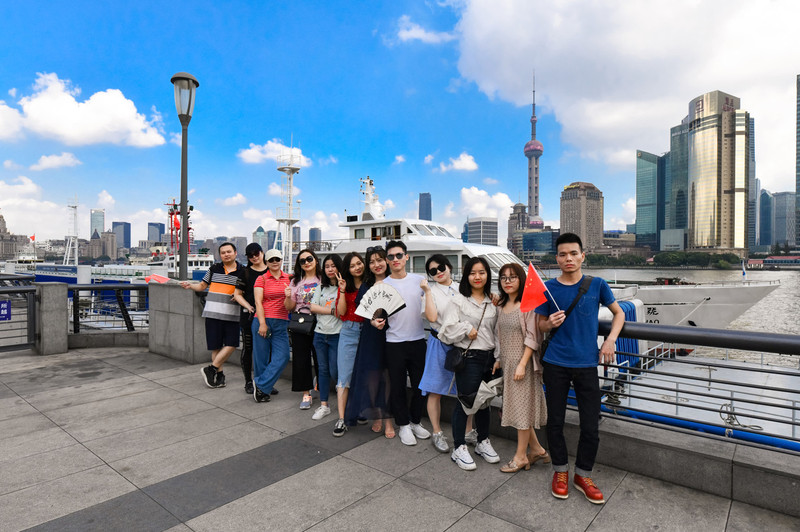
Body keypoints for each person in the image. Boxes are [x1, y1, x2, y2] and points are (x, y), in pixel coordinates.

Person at [535, 233, 625, 504]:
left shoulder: (597, 284)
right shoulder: (548, 287)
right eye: (563, 254)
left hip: (587, 363)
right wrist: (549, 323)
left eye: (573, 253)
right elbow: (539, 324)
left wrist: (610, 340)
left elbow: (619, 313)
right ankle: (561, 471)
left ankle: (583, 475)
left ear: (582, 256)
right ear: (557, 259)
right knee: (555, 422)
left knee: (590, 425)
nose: (569, 259)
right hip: (555, 363)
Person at [439, 256, 500, 470]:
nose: (477, 277)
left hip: (489, 358)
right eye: (473, 273)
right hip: (470, 357)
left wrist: (499, 357)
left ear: (488, 275)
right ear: (466, 276)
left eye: (482, 272)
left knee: (484, 402)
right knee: (465, 402)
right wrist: (466, 328)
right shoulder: (459, 300)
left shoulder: (493, 302)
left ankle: (483, 441)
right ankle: (459, 447)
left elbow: (497, 332)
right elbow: (445, 331)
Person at [493, 262, 549, 473]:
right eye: (503, 277)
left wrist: (522, 365)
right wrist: (499, 358)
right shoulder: (501, 305)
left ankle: (520, 456)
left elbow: (534, 337)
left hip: (522, 364)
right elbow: (500, 335)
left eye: (512, 277)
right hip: (508, 363)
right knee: (519, 408)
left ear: (521, 279)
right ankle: (537, 450)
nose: (507, 281)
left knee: (521, 410)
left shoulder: (527, 305)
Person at [418, 254, 474, 453]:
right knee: (435, 390)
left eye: (441, 267)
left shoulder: (463, 288)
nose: (438, 272)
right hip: (439, 343)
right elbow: (432, 317)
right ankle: (437, 432)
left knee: (467, 389)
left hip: (463, 343)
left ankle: (468, 430)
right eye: (433, 271)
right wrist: (427, 291)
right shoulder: (430, 292)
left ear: (449, 267)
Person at [382, 240, 431, 446]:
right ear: (387, 260)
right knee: (398, 386)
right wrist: (376, 321)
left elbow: (434, 303)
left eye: (399, 255)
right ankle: (403, 424)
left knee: (421, 385)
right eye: (391, 256)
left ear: (406, 257)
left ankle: (415, 421)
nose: (395, 259)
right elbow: (376, 314)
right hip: (394, 341)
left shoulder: (420, 281)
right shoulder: (383, 285)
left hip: (418, 339)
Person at [181, 241, 249, 389]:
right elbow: (202, 286)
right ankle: (219, 376)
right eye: (223, 253)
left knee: (232, 344)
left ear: (235, 253)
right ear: (220, 255)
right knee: (216, 347)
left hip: (232, 315)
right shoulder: (214, 269)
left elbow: (247, 291)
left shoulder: (243, 271)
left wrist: (239, 295)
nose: (226, 254)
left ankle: (211, 368)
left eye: (229, 252)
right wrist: (190, 285)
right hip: (212, 313)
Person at [344, 246, 394, 438]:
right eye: (372, 262)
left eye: (379, 260)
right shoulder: (367, 284)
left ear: (386, 260)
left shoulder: (394, 281)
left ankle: (388, 419)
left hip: (392, 334)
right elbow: (362, 310)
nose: (376, 265)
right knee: (373, 377)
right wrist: (372, 320)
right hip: (371, 334)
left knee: (388, 377)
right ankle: (377, 416)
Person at [331, 252, 366, 436]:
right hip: (349, 331)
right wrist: (342, 290)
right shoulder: (344, 285)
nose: (357, 267)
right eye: (352, 266)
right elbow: (341, 312)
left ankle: (359, 410)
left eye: (359, 263)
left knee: (363, 375)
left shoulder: (370, 283)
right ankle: (342, 418)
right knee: (344, 376)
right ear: (347, 269)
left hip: (368, 332)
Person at [251, 248, 291, 403]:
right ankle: (264, 389)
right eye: (271, 260)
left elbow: (291, 303)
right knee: (261, 358)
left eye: (277, 259)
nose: (275, 262)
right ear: (266, 262)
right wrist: (262, 323)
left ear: (281, 260)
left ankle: (262, 384)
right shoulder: (261, 279)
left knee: (283, 356)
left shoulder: (288, 278)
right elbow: (258, 302)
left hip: (281, 322)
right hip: (263, 320)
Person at [308, 254, 343, 421]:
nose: (330, 269)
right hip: (320, 334)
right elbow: (313, 307)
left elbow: (343, 311)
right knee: (322, 370)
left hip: (337, 335)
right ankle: (324, 405)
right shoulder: (321, 287)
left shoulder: (343, 287)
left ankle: (345, 400)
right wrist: (331, 311)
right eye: (327, 266)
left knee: (336, 370)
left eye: (333, 266)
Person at [286, 249, 321, 410]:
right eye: (302, 261)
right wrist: (288, 296)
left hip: (321, 322)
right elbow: (289, 307)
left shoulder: (322, 278)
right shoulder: (295, 281)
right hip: (301, 322)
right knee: (301, 359)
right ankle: (306, 393)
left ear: (315, 260)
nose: (306, 262)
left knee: (321, 358)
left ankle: (319, 384)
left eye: (309, 259)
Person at [235, 242, 268, 395]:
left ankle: (265, 382)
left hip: (268, 316)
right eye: (250, 255)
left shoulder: (271, 270)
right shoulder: (245, 273)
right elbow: (237, 294)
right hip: (249, 316)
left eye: (257, 254)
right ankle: (248, 381)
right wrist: (248, 306)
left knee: (266, 350)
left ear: (262, 253)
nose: (254, 257)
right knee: (248, 349)